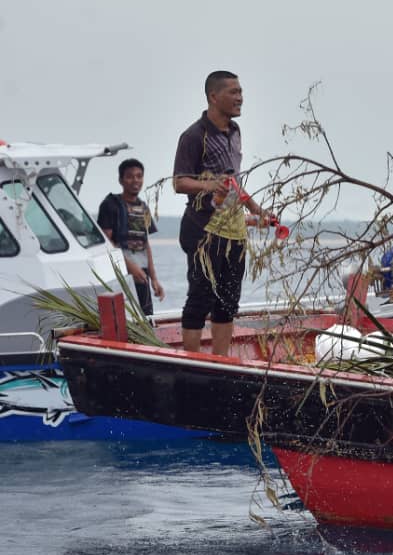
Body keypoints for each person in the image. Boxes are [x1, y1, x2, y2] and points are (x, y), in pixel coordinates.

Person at [172, 71, 270, 356]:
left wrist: (255, 209)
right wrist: (209, 184)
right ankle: (191, 362)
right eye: (233, 92)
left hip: (234, 230)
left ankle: (221, 360)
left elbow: (232, 181)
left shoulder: (235, 132)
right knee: (200, 298)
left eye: (241, 92)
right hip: (204, 228)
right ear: (213, 97)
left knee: (228, 302)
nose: (240, 98)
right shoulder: (193, 136)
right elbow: (179, 182)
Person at [96, 158, 165, 315]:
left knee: (146, 318)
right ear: (121, 180)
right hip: (120, 274)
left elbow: (145, 244)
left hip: (141, 273)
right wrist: (130, 266)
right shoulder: (110, 205)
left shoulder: (143, 207)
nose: (135, 180)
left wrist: (153, 278)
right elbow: (106, 244)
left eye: (139, 176)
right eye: (130, 176)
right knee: (124, 318)